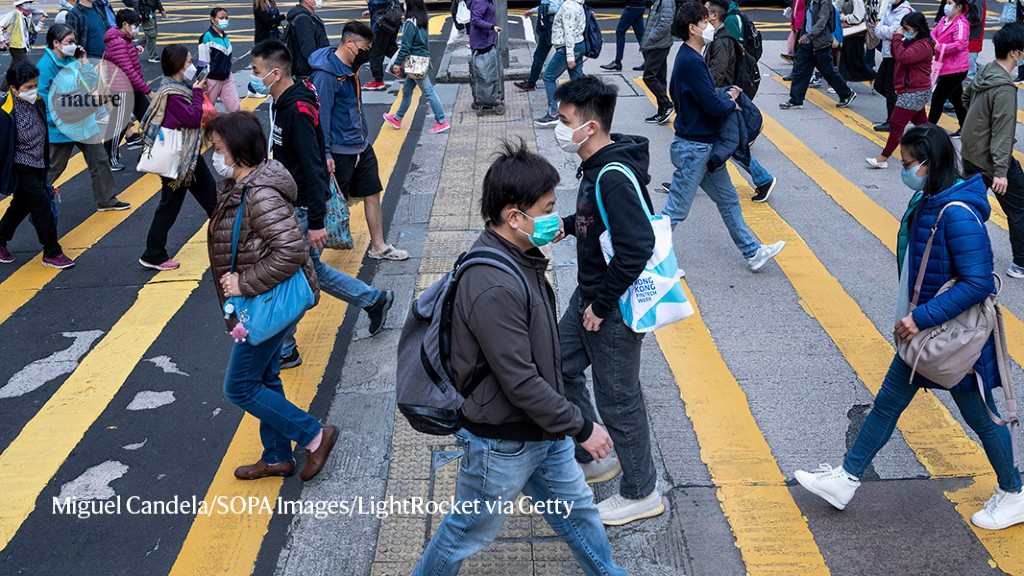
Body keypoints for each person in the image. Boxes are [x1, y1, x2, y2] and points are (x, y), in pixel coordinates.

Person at [412, 140, 626, 576]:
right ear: (514, 217)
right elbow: (520, 380)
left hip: (542, 429)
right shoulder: (493, 284)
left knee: (579, 514)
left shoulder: (518, 255)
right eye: (547, 209)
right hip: (502, 442)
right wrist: (582, 427)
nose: (554, 218)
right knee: (464, 532)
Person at [794, 124, 1024, 531]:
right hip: (925, 337)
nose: (904, 171)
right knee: (886, 403)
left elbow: (979, 282)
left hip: (956, 342)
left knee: (984, 418)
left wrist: (920, 317)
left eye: (908, 164)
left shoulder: (957, 214)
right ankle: (846, 480)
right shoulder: (930, 199)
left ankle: (1014, 493)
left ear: (930, 164)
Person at [550, 76, 663, 527]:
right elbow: (599, 223)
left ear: (590, 126)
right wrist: (564, 225)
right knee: (558, 363)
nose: (559, 128)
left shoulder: (612, 174)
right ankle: (596, 454)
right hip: (592, 292)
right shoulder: (598, 166)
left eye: (564, 121)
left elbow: (637, 245)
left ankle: (641, 492)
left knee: (619, 398)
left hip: (608, 305)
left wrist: (599, 305)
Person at [206, 111, 338, 483]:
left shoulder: (259, 195)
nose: (215, 155)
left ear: (239, 150)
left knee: (240, 386)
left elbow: (291, 251)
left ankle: (313, 435)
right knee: (265, 377)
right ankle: (278, 456)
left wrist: (243, 283)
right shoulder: (241, 186)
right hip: (265, 303)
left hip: (265, 305)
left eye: (219, 148)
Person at [251, 40, 395, 369]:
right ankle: (374, 300)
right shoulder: (282, 101)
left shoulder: (296, 109)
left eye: (257, 72)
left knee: (295, 278)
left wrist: (316, 220)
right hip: (289, 203)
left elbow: (313, 167)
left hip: (301, 208)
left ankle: (286, 347)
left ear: (275, 73)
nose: (254, 77)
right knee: (310, 272)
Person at [665, 2, 785, 271]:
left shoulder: (689, 56)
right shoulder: (691, 61)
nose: (709, 27)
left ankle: (753, 253)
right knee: (674, 211)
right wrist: (730, 100)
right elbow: (712, 105)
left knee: (729, 200)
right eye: (704, 23)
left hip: (703, 147)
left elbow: (683, 96)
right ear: (692, 28)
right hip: (694, 148)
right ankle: (650, 261)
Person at [311, 21, 409, 261]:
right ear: (349, 43)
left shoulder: (350, 68)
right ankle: (309, 259)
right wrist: (325, 153)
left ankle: (379, 246)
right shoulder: (326, 75)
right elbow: (321, 116)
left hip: (361, 145)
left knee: (372, 191)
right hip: (338, 149)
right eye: (365, 48)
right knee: (332, 204)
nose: (366, 53)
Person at [137, 44, 216, 271]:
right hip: (182, 160)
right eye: (189, 62)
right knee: (205, 202)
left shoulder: (177, 87)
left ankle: (154, 252)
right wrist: (199, 92)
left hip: (184, 157)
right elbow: (192, 118)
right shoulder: (173, 93)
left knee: (203, 202)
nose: (192, 66)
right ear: (179, 65)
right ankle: (153, 253)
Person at [37, 24, 127, 212]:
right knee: (55, 166)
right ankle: (32, 198)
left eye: (74, 41)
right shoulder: (45, 67)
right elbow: (42, 98)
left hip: (83, 121)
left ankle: (106, 199)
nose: (74, 45)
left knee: (99, 160)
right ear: (56, 43)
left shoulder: (73, 60)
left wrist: (85, 62)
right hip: (62, 126)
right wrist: (55, 120)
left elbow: (91, 83)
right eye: (69, 42)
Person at [962, 23, 1024, 278]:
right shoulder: (1005, 89)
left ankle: (961, 255)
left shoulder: (986, 70)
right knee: (1019, 209)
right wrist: (1000, 172)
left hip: (970, 154)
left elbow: (966, 98)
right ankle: (1020, 263)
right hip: (992, 162)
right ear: (1014, 53)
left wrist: (976, 129)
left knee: (969, 208)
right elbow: (1002, 133)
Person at [0, 61, 75, 269]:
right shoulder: (4, 112)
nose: (33, 90)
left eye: (35, 85)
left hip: (38, 164)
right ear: (14, 89)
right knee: (41, 204)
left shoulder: (38, 101)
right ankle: (52, 252)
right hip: (19, 166)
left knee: (21, 206)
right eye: (28, 87)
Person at [704, 0, 777, 202]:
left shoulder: (722, 40)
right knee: (708, 145)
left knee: (729, 146)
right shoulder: (718, 36)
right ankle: (681, 185)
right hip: (721, 98)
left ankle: (763, 179)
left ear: (713, 15)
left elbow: (717, 73)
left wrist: (704, 95)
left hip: (721, 99)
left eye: (705, 10)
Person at [865, 12, 933, 169]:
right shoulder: (915, 42)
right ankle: (937, 149)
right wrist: (898, 40)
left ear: (916, 29)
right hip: (912, 89)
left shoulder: (923, 45)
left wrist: (896, 38)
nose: (903, 31)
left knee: (896, 124)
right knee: (922, 125)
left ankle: (882, 158)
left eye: (906, 28)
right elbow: (898, 54)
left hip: (914, 91)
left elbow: (903, 57)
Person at [382, 0, 450, 133]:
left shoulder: (409, 23)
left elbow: (406, 47)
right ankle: (397, 118)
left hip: (414, 63)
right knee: (407, 91)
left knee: (429, 92)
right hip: (420, 60)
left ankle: (441, 120)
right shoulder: (422, 20)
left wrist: (397, 64)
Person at [780, 0, 858, 109]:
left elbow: (822, 22)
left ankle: (847, 93)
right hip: (807, 42)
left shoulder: (825, 2)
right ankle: (796, 100)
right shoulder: (810, 1)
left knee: (828, 71)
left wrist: (808, 36)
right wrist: (802, 36)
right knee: (800, 70)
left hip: (820, 43)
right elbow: (806, 20)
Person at [101, 8, 151, 172]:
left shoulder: (123, 40)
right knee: (119, 125)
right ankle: (109, 158)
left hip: (133, 89)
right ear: (125, 24)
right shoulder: (117, 43)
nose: (138, 28)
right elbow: (128, 71)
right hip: (122, 89)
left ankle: (150, 154)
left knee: (149, 119)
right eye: (135, 25)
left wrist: (133, 49)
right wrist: (148, 90)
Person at [534, 0, 585, 127]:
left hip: (567, 48)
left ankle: (554, 114)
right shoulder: (578, 4)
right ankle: (585, 112)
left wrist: (569, 56)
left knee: (548, 77)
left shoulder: (568, 6)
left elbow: (569, 32)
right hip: (579, 45)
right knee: (577, 80)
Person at [872, 0, 914, 131]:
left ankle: (892, 121)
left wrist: (882, 29)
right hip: (887, 52)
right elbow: (877, 30)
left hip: (896, 53)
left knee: (889, 87)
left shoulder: (904, 10)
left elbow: (894, 32)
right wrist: (884, 30)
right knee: (879, 85)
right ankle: (899, 110)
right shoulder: (890, 7)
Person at [927, 0, 969, 133]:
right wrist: (934, 41)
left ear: (958, 7)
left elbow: (960, 44)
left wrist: (939, 46)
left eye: (950, 3)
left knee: (938, 98)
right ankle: (966, 128)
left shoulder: (961, 24)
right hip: (945, 66)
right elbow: (934, 33)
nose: (947, 5)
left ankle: (928, 128)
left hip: (956, 69)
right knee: (957, 99)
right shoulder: (944, 19)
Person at [198, 7, 239, 114]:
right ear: (212, 19)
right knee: (207, 112)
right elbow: (203, 62)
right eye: (221, 18)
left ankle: (233, 130)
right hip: (212, 79)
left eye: (226, 18)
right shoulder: (206, 37)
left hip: (226, 76)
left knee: (235, 109)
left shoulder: (225, 36)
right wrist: (201, 82)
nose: (224, 20)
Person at [514, 0, 561, 92]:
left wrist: (538, 10)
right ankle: (581, 84)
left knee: (539, 56)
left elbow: (554, 8)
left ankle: (531, 83)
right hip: (552, 27)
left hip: (550, 27)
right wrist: (533, 11)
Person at [640, 0, 674, 124]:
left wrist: (651, 38)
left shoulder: (666, 1)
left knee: (648, 76)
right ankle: (662, 111)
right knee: (660, 78)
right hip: (659, 43)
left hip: (659, 44)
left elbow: (665, 24)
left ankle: (667, 104)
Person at [285, 0, 329, 79]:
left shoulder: (309, 16)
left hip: (312, 71)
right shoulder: (303, 19)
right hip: (309, 73)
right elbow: (308, 50)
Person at [600, 0, 646, 71]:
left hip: (632, 6)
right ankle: (648, 61)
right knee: (640, 35)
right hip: (641, 6)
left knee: (620, 32)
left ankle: (617, 62)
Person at [363, 0, 398, 91]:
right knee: (389, 49)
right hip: (387, 20)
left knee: (375, 52)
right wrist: (371, 11)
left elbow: (384, 1)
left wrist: (371, 2)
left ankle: (378, 81)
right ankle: (409, 68)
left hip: (382, 24)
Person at [838, 0, 877, 82]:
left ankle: (874, 76)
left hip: (856, 34)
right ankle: (843, 80)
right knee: (847, 59)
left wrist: (844, 18)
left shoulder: (857, 1)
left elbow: (858, 18)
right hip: (849, 32)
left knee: (855, 60)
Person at [0, 0, 42, 65]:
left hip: (24, 46)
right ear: (20, 4)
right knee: (27, 65)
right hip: (15, 46)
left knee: (16, 65)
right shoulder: (13, 14)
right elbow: (0, 25)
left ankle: (11, 75)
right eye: (26, 2)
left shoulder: (28, 16)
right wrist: (2, 41)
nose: (29, 4)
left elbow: (35, 30)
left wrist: (41, 22)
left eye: (30, 2)